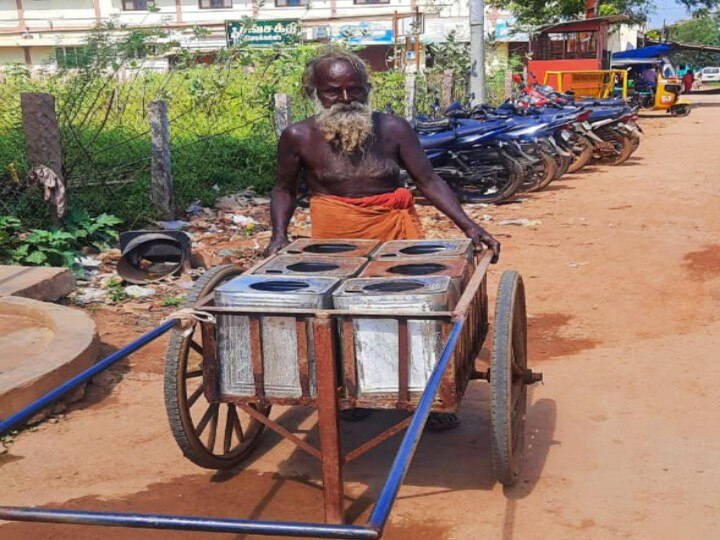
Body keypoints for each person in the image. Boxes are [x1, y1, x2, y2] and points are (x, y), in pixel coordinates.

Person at [266, 48, 501, 430]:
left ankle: (431, 395)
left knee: (410, 309)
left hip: (393, 233)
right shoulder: (298, 135)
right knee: (336, 314)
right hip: (334, 233)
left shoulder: (393, 128)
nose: (344, 100)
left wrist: (468, 225)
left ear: (367, 89)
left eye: (353, 90)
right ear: (315, 92)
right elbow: (283, 189)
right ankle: (348, 389)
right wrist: (278, 234)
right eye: (332, 92)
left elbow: (428, 180)